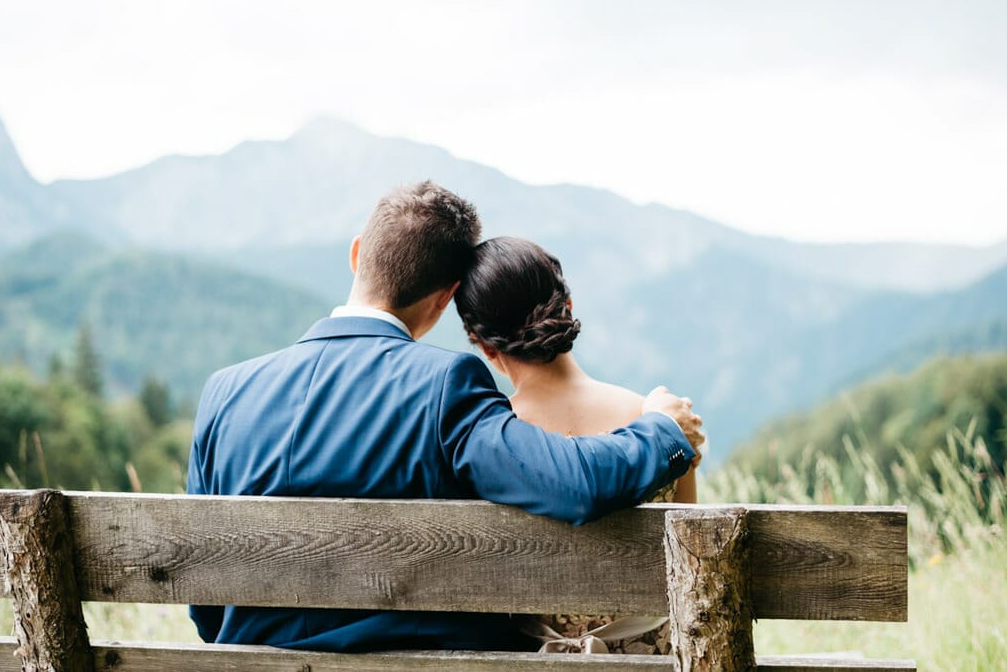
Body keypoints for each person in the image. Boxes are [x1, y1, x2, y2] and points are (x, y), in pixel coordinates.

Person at [186, 181, 704, 652]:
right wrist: (662, 431)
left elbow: (206, 611)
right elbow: (573, 482)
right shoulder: (444, 387)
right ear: (446, 300)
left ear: (357, 254)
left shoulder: (224, 392)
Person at [454, 236, 700, 654]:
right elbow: (689, 556)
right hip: (653, 660)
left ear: (485, 346)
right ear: (567, 307)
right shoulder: (660, 422)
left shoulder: (489, 442)